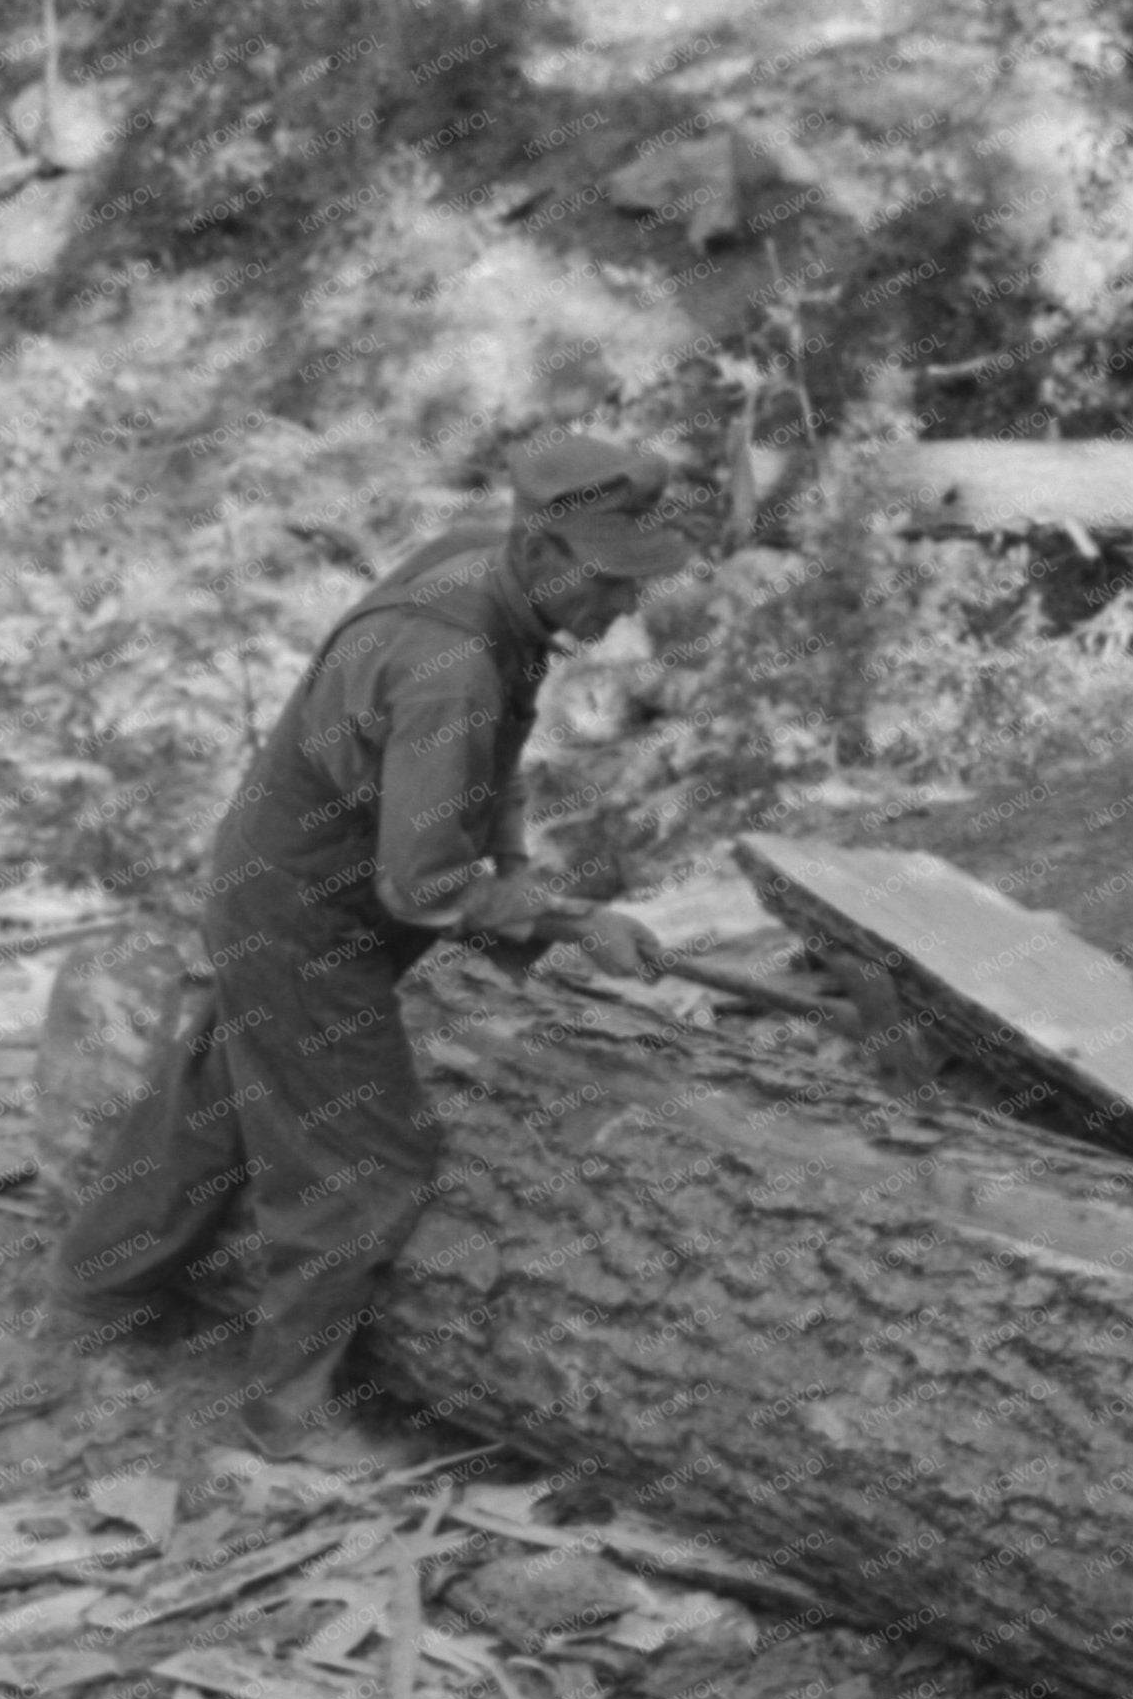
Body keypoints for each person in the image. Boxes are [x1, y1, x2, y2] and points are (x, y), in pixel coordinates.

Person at [50, 434, 701, 1465]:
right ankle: (285, 1419)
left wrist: (518, 868)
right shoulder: (450, 664)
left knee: (223, 1097)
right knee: (363, 1160)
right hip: (313, 913)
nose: (624, 609)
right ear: (543, 550)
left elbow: (492, 761)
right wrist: (570, 922)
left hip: (292, 873)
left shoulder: (483, 567)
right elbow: (422, 883)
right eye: (612, 582)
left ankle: (98, 1296)